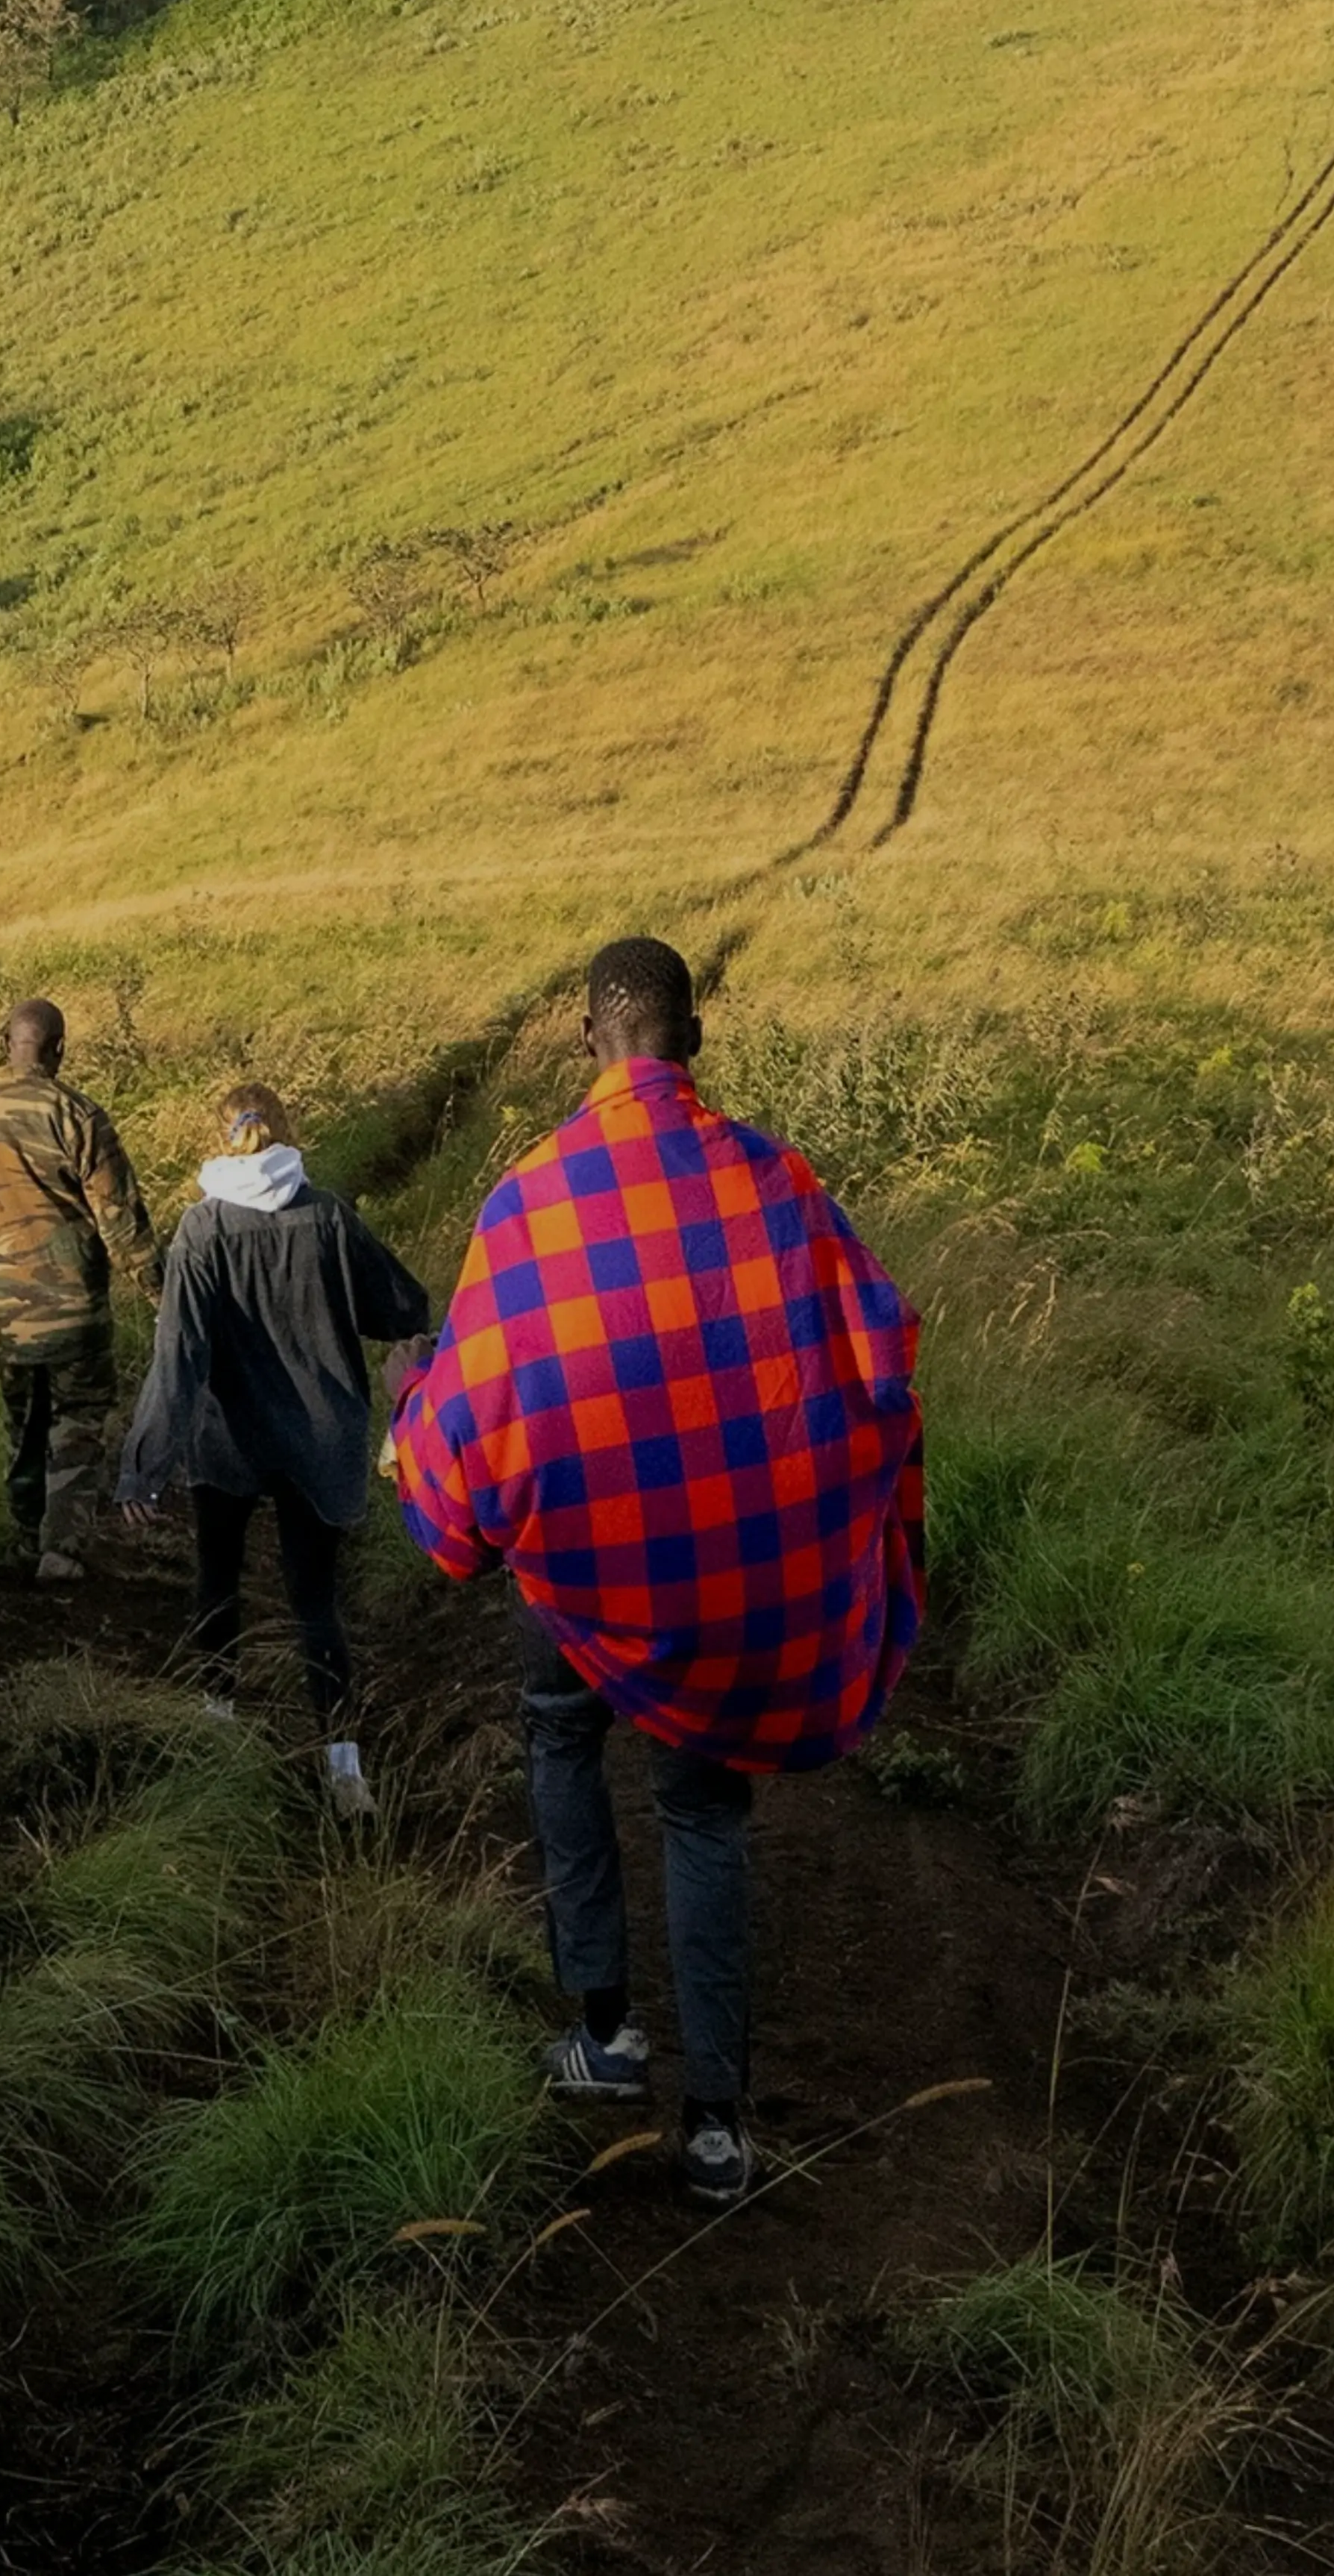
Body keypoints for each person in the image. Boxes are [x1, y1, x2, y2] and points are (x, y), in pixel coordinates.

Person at [391, 934, 921, 2209]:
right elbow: (876, 1350)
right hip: (732, 1580)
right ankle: (721, 2125)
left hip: (580, 1584)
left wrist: (415, 1423)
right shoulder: (778, 1180)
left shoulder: (533, 1197)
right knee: (705, 1815)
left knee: (558, 1737)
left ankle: (607, 2033)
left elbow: (472, 1404)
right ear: (693, 1040)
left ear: (590, 1043)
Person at [116, 1080, 434, 1819]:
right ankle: (346, 1770)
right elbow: (404, 1308)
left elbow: (180, 1361)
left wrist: (144, 1467)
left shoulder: (200, 1231)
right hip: (319, 1436)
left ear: (220, 1137)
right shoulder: (328, 1217)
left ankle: (218, 1728)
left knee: (217, 1581)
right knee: (315, 1603)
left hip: (226, 1440)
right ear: (286, 1134)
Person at [0, 996, 146, 1582]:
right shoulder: (80, 1117)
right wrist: (165, 1297)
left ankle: (24, 1532)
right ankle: (61, 1550)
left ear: (4, 1046)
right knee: (78, 1419)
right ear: (60, 1050)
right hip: (75, 1312)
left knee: (23, 1420)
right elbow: (122, 1223)